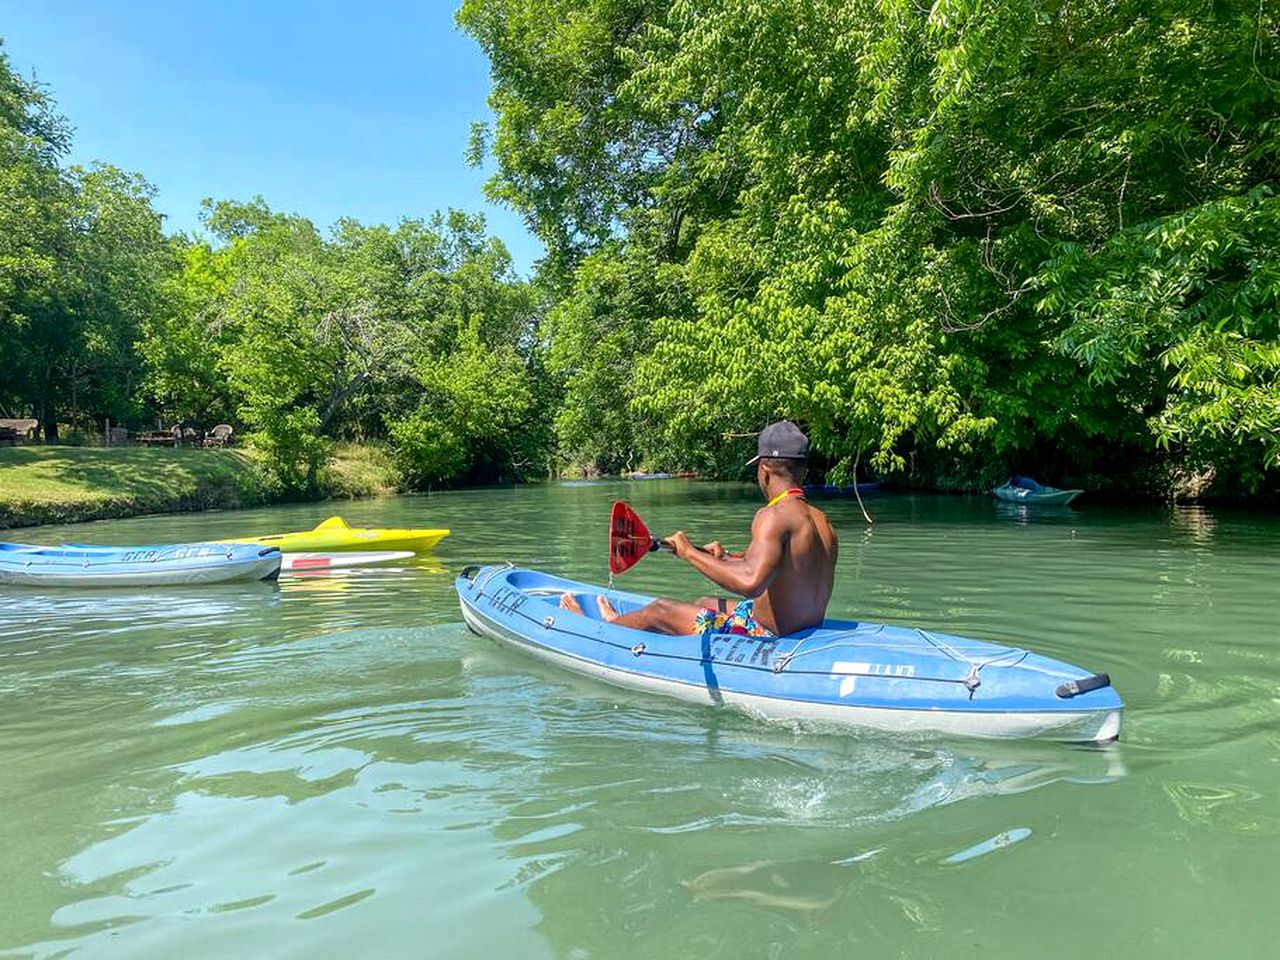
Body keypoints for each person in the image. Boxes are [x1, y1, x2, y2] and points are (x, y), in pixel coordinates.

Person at [561, 421, 838, 637]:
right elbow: (781, 568)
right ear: (802, 470)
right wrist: (723, 557)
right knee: (705, 601)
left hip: (766, 634)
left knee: (660, 610)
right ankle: (638, 630)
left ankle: (605, 628)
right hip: (798, 626)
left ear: (764, 470)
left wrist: (688, 554)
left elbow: (751, 583)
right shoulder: (821, 521)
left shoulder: (773, 515)